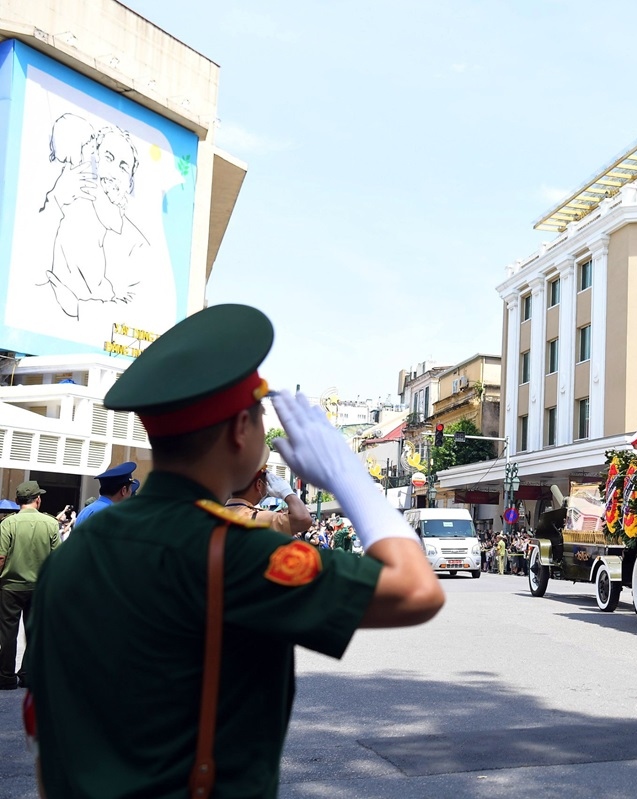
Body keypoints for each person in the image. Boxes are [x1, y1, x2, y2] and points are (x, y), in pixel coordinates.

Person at [25, 304, 444, 797]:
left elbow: (42, 716)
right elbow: (417, 589)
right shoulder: (232, 551)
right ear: (240, 430)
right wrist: (353, 481)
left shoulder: (75, 550)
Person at [0, 482, 61, 690]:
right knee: (34, 631)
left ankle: (5, 676)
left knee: (7, 632)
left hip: (10, 586)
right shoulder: (51, 523)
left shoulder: (8, 523)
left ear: (17, 501)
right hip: (39, 586)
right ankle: (28, 674)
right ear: (38, 499)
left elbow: (1, 557)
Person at [224, 465, 312, 535]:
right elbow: (303, 519)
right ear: (259, 484)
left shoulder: (214, 514)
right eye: (266, 483)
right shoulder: (257, 518)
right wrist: (287, 492)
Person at [72, 460, 138, 529]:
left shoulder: (86, 511)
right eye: (130, 488)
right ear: (124, 490)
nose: (131, 492)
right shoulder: (113, 515)